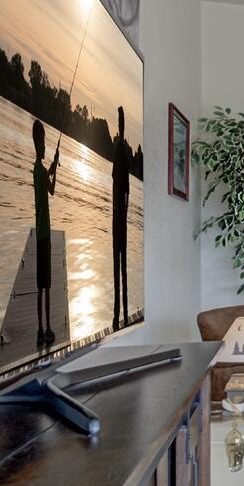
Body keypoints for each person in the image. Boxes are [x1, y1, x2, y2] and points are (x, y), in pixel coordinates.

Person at [31, 119, 60, 346]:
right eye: (42, 143)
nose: (44, 146)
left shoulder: (37, 170)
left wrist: (54, 169)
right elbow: (48, 182)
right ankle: (47, 327)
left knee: (41, 286)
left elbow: (51, 189)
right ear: (37, 144)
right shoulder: (39, 170)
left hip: (40, 233)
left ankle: (41, 330)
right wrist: (54, 167)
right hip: (44, 235)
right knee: (47, 285)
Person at [110, 105, 131, 331]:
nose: (120, 127)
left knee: (120, 266)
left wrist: (120, 211)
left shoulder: (120, 151)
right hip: (121, 217)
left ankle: (120, 315)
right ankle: (120, 314)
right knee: (120, 267)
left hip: (119, 219)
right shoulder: (122, 151)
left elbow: (119, 185)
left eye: (121, 123)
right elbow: (125, 189)